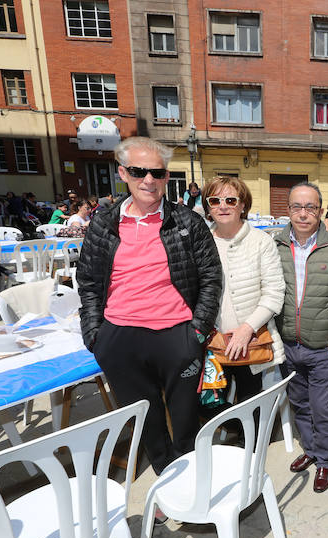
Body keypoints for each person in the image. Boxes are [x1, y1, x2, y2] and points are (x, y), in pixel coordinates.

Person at [76, 137, 222, 503]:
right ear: (123, 173)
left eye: (157, 173)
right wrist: (95, 335)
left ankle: (190, 488)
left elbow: (211, 277)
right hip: (119, 338)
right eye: (139, 172)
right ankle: (166, 482)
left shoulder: (187, 221)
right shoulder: (103, 224)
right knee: (146, 421)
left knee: (186, 418)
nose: (148, 180)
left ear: (166, 176)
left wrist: (198, 331)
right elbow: (90, 281)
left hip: (178, 335)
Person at [274, 183, 328, 493]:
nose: (303, 213)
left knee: (322, 406)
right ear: (288, 210)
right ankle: (310, 450)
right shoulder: (275, 244)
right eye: (296, 207)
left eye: (310, 207)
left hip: (323, 345)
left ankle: (325, 461)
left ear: (321, 211)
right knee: (300, 403)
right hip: (288, 343)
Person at [201, 175, 285, 402]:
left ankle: (247, 436)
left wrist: (246, 329)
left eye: (230, 200)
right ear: (208, 207)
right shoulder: (200, 242)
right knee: (208, 405)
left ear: (243, 205)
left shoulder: (261, 241)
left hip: (251, 342)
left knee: (249, 405)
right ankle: (225, 434)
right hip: (210, 342)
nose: (223, 206)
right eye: (214, 201)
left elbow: (274, 292)